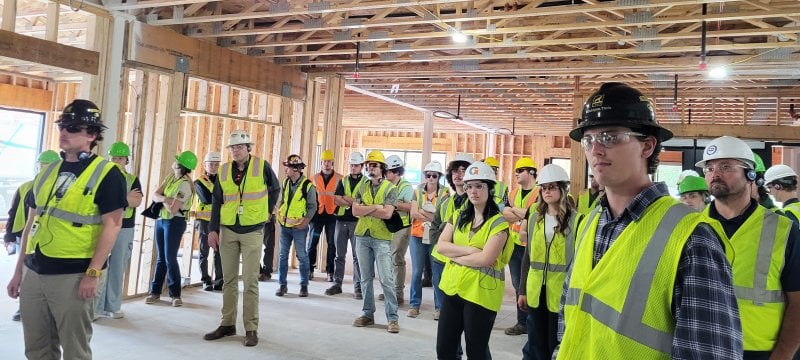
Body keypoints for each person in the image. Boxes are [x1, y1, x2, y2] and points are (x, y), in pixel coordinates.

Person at [556, 83, 742, 359]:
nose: (595, 150)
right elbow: (568, 317)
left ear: (647, 146)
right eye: (589, 139)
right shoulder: (590, 222)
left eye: (610, 137)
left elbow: (708, 353)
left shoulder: (691, 236)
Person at [6, 99, 127, 359]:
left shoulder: (107, 174)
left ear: (92, 135)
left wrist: (93, 273)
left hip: (73, 275)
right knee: (36, 348)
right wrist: (19, 271)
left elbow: (113, 225)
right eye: (62, 126)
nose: (64, 132)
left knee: (75, 350)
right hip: (35, 271)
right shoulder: (48, 172)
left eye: (72, 128)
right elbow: (31, 225)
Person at [699, 136, 800, 359]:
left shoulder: (783, 230)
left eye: (726, 166)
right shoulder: (690, 227)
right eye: (709, 167)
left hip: (761, 351)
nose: (714, 173)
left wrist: (782, 354)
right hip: (702, 347)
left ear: (750, 175)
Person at [203, 129, 280, 347]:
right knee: (228, 280)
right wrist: (212, 229)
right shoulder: (224, 170)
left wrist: (268, 212)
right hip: (228, 230)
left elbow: (275, 189)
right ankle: (227, 324)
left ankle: (251, 328)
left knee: (250, 282)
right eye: (232, 147)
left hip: (253, 231)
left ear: (248, 148)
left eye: (239, 146)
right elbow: (217, 201)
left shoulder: (261, 166)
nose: (235, 150)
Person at [435, 161, 512, 359]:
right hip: (453, 289)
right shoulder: (458, 215)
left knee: (476, 351)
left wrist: (456, 257)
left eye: (479, 186)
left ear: (489, 188)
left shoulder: (498, 222)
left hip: (481, 294)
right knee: (444, 349)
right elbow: (441, 246)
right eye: (469, 186)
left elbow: (486, 259)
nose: (473, 191)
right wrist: (471, 250)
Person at [518, 164, 580, 360]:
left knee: (556, 341)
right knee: (536, 340)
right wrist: (522, 290)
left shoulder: (577, 220)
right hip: (536, 290)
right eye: (544, 188)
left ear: (562, 189)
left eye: (551, 187)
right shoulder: (535, 217)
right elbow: (528, 256)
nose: (547, 192)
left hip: (562, 292)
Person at [4, 150, 59, 321]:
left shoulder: (59, 190)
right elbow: (13, 212)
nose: (45, 169)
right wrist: (9, 236)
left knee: (41, 275)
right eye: (43, 165)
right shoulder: (27, 187)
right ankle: (23, 308)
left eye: (48, 166)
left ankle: (43, 308)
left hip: (48, 239)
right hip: (25, 235)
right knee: (23, 272)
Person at [351, 150, 400, 334]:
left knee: (386, 279)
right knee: (365, 278)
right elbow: (355, 211)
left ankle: (393, 318)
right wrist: (375, 208)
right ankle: (367, 314)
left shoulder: (390, 189)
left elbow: (387, 213)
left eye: (374, 165)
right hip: (362, 236)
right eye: (369, 165)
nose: (370, 168)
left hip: (381, 238)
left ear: (382, 169)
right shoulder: (362, 186)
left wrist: (366, 209)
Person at [95, 142, 143, 319]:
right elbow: (97, 200)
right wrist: (125, 199)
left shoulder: (132, 179)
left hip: (124, 227)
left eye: (120, 158)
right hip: (103, 225)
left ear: (126, 160)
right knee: (99, 266)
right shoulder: (102, 177)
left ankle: (113, 306)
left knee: (117, 267)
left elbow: (136, 201)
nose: (116, 161)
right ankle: (97, 307)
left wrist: (117, 199)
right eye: (113, 157)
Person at [144, 150, 197, 307]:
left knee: (170, 258)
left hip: (174, 222)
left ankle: (175, 295)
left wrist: (163, 200)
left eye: (177, 161)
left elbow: (173, 210)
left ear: (181, 165)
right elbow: (155, 195)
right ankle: (155, 292)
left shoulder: (185, 184)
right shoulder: (170, 178)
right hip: (161, 220)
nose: (174, 162)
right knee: (161, 258)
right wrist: (165, 199)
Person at [429, 153, 474, 321]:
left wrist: (450, 243)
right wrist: (444, 242)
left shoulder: (474, 203)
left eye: (463, 170)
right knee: (440, 291)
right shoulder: (446, 201)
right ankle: (441, 310)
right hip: (440, 256)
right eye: (455, 170)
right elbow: (434, 228)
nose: (458, 174)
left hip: (460, 259)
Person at [502, 157, 538, 336]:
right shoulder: (513, 193)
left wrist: (517, 212)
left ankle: (533, 323)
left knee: (531, 285)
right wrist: (522, 214)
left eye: (520, 170)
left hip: (532, 246)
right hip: (515, 245)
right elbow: (505, 213)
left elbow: (535, 216)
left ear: (531, 172)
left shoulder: (540, 192)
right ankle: (522, 322)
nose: (516, 174)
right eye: (516, 171)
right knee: (518, 285)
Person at [407, 160, 447, 318]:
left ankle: (440, 308)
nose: (431, 178)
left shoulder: (445, 193)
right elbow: (413, 213)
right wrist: (430, 215)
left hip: (435, 237)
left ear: (439, 177)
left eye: (434, 176)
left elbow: (441, 217)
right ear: (424, 176)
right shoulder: (417, 190)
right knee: (416, 272)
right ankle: (414, 305)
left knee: (438, 273)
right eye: (428, 175)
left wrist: (424, 213)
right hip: (417, 235)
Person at [275, 154, 316, 297]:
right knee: (282, 256)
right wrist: (279, 216)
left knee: (302, 256)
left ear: (296, 169)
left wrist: (304, 223)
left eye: (288, 167)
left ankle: (304, 286)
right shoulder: (285, 182)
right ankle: (282, 285)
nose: (286, 169)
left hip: (299, 228)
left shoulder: (308, 186)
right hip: (285, 227)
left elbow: (312, 207)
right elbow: (282, 202)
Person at [325, 151, 366, 298]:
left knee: (357, 256)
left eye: (356, 165)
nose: (353, 168)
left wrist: (347, 199)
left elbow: (364, 203)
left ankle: (358, 287)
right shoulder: (344, 180)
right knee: (339, 255)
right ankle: (337, 284)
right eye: (351, 165)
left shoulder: (366, 183)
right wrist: (354, 201)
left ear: (361, 166)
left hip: (358, 222)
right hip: (341, 221)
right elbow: (336, 200)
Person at [383, 154, 412, 305]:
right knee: (386, 260)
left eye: (388, 171)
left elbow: (410, 206)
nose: (385, 174)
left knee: (397, 260)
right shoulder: (385, 184)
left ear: (397, 172)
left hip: (402, 227)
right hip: (387, 226)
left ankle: (398, 294)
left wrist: (391, 203)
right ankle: (389, 291)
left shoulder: (405, 186)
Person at [308, 149, 340, 282]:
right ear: (321, 163)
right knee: (312, 242)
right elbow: (309, 197)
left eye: (329, 161)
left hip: (332, 216)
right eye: (324, 161)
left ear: (332, 163)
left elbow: (342, 196)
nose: (326, 164)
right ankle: (310, 269)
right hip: (317, 216)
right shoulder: (314, 178)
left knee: (332, 243)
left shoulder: (340, 178)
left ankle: (330, 271)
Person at [195, 151, 223, 291]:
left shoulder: (224, 180)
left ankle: (219, 281)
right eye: (211, 164)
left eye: (216, 164)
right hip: (204, 221)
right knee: (204, 251)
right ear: (205, 165)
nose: (213, 167)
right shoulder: (199, 182)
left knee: (219, 252)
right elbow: (207, 199)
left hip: (219, 221)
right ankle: (206, 280)